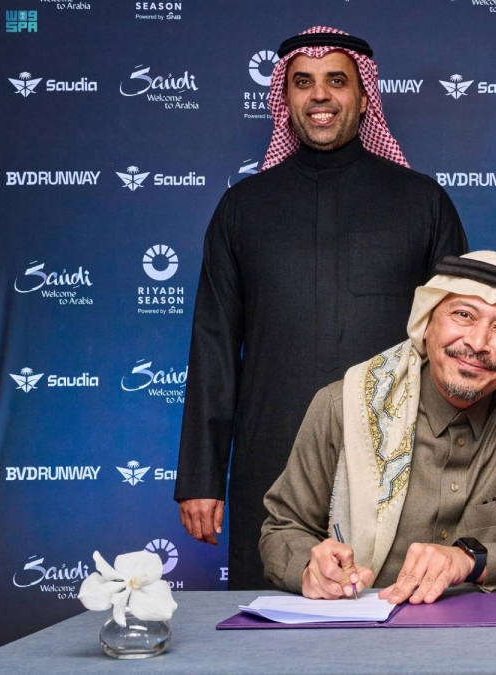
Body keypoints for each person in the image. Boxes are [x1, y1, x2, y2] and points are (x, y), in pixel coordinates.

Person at [175, 26, 468, 589]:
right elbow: (214, 346)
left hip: (397, 453)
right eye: (303, 82)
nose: (320, 95)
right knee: (271, 617)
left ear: (364, 95)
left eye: (337, 80)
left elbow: (456, 342)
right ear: (285, 97)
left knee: (400, 615)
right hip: (272, 453)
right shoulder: (243, 208)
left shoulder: (422, 201)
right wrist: (201, 476)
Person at [260, 252, 496, 603]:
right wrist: (311, 568)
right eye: (463, 315)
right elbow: (283, 529)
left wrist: (472, 560)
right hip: (366, 623)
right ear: (426, 324)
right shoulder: (344, 406)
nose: (477, 343)